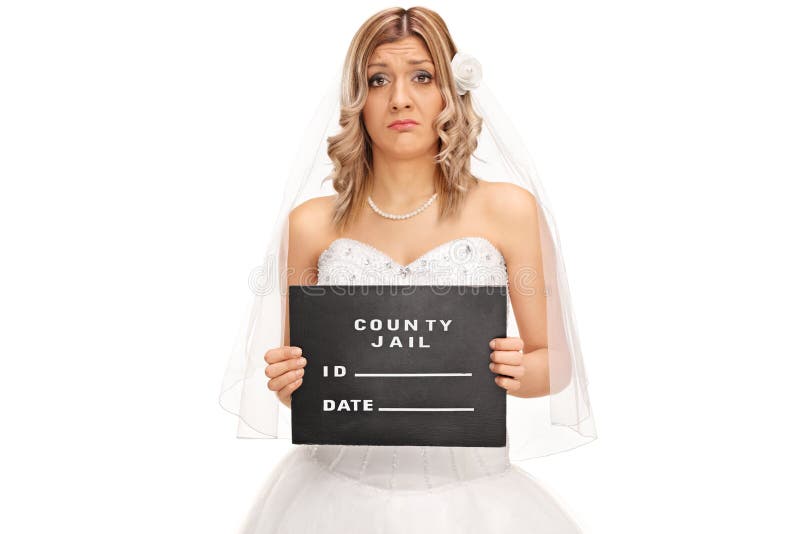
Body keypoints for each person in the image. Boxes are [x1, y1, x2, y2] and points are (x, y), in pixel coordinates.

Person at [220, 7, 598, 533]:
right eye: (379, 80)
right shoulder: (310, 226)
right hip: (331, 501)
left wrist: (519, 370)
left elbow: (556, 364)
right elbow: (300, 387)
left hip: (473, 499)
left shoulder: (509, 211)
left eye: (422, 76)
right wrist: (288, 380)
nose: (400, 97)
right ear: (358, 100)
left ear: (450, 91)